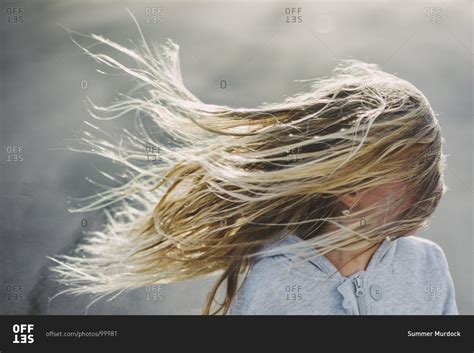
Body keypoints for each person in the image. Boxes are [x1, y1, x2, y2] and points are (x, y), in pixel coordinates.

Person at [49, 28, 457, 315]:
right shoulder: (274, 279)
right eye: (420, 172)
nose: (437, 187)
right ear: (352, 186)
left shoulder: (427, 265)